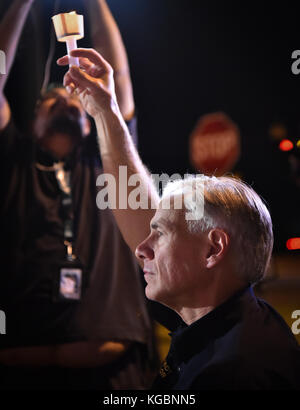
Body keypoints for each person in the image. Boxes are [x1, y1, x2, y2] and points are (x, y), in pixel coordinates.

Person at [59, 46, 300, 390]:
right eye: (153, 232)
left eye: (161, 233)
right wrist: (105, 112)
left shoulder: (233, 374)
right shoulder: (222, 317)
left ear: (213, 249)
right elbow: (137, 206)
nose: (142, 246)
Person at [0, 0, 156, 390]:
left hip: (116, 376)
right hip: (28, 371)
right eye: (51, 99)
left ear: (91, 126)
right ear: (33, 123)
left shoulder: (105, 159)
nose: (67, 99)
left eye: (75, 101)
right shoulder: (16, 163)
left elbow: (118, 81)